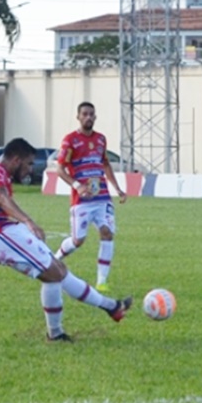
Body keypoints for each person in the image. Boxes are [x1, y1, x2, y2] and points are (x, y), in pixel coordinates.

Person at [0, 137, 132, 342]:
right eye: (29, 164)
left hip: (4, 233)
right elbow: (1, 200)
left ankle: (112, 307)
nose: (30, 170)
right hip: (0, 236)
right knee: (52, 274)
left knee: (58, 269)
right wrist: (29, 221)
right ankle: (55, 335)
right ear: (16, 159)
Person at [53, 102, 127, 292]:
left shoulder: (101, 139)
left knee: (107, 233)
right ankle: (55, 259)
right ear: (78, 117)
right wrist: (77, 186)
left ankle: (102, 280)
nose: (88, 117)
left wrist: (117, 188)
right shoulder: (70, 141)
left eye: (91, 114)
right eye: (84, 114)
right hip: (82, 201)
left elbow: (105, 165)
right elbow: (60, 169)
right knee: (78, 241)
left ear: (95, 117)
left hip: (102, 197)